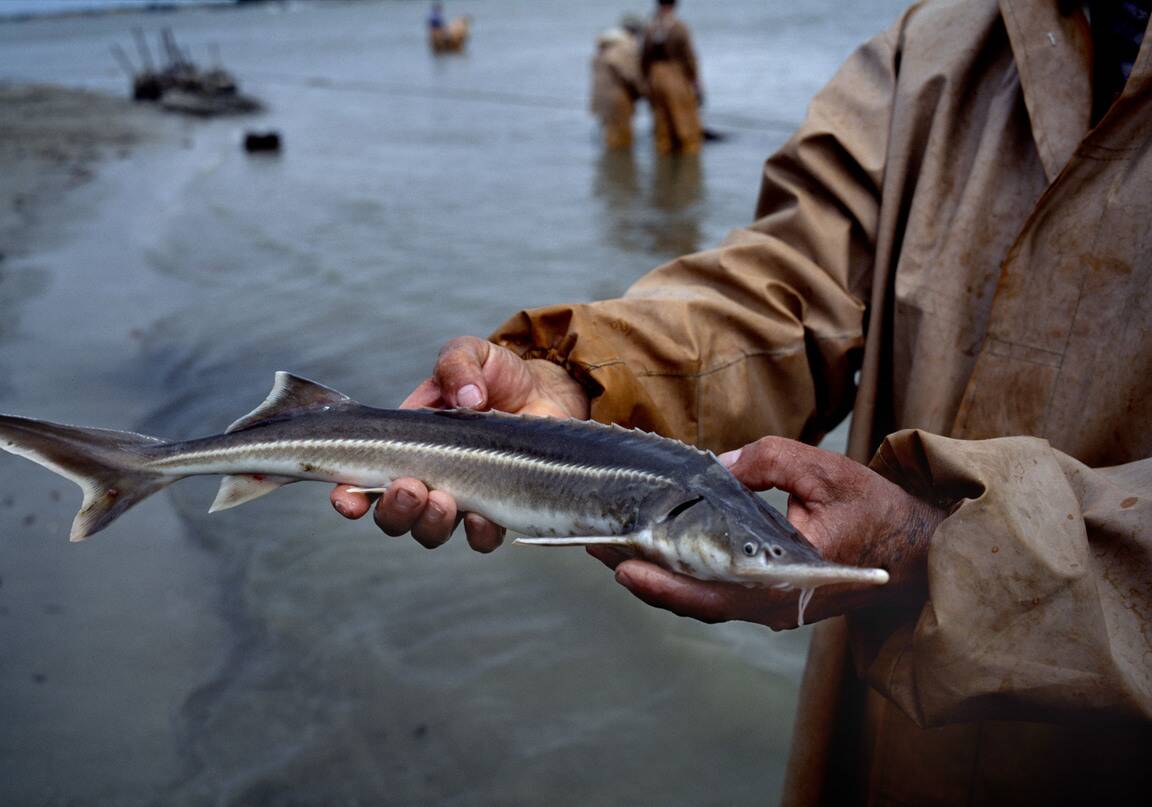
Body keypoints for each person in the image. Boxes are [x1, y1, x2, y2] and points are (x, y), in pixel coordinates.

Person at [335, 0, 1152, 802]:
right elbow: (789, 282)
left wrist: (958, 549)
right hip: (882, 736)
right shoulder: (940, 39)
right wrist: (582, 374)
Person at [640, 0, 702, 153]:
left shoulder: (650, 27)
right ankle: (687, 161)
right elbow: (689, 56)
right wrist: (695, 81)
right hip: (676, 75)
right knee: (684, 123)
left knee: (661, 125)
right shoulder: (679, 27)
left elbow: (643, 58)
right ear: (673, 6)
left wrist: (645, 80)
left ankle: (663, 160)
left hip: (654, 76)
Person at [589, 15, 646, 150]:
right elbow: (630, 75)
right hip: (618, 99)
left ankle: (611, 161)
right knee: (621, 140)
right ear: (635, 32)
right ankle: (620, 162)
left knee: (610, 135)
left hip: (602, 98)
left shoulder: (606, 46)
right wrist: (644, 92)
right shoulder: (626, 47)